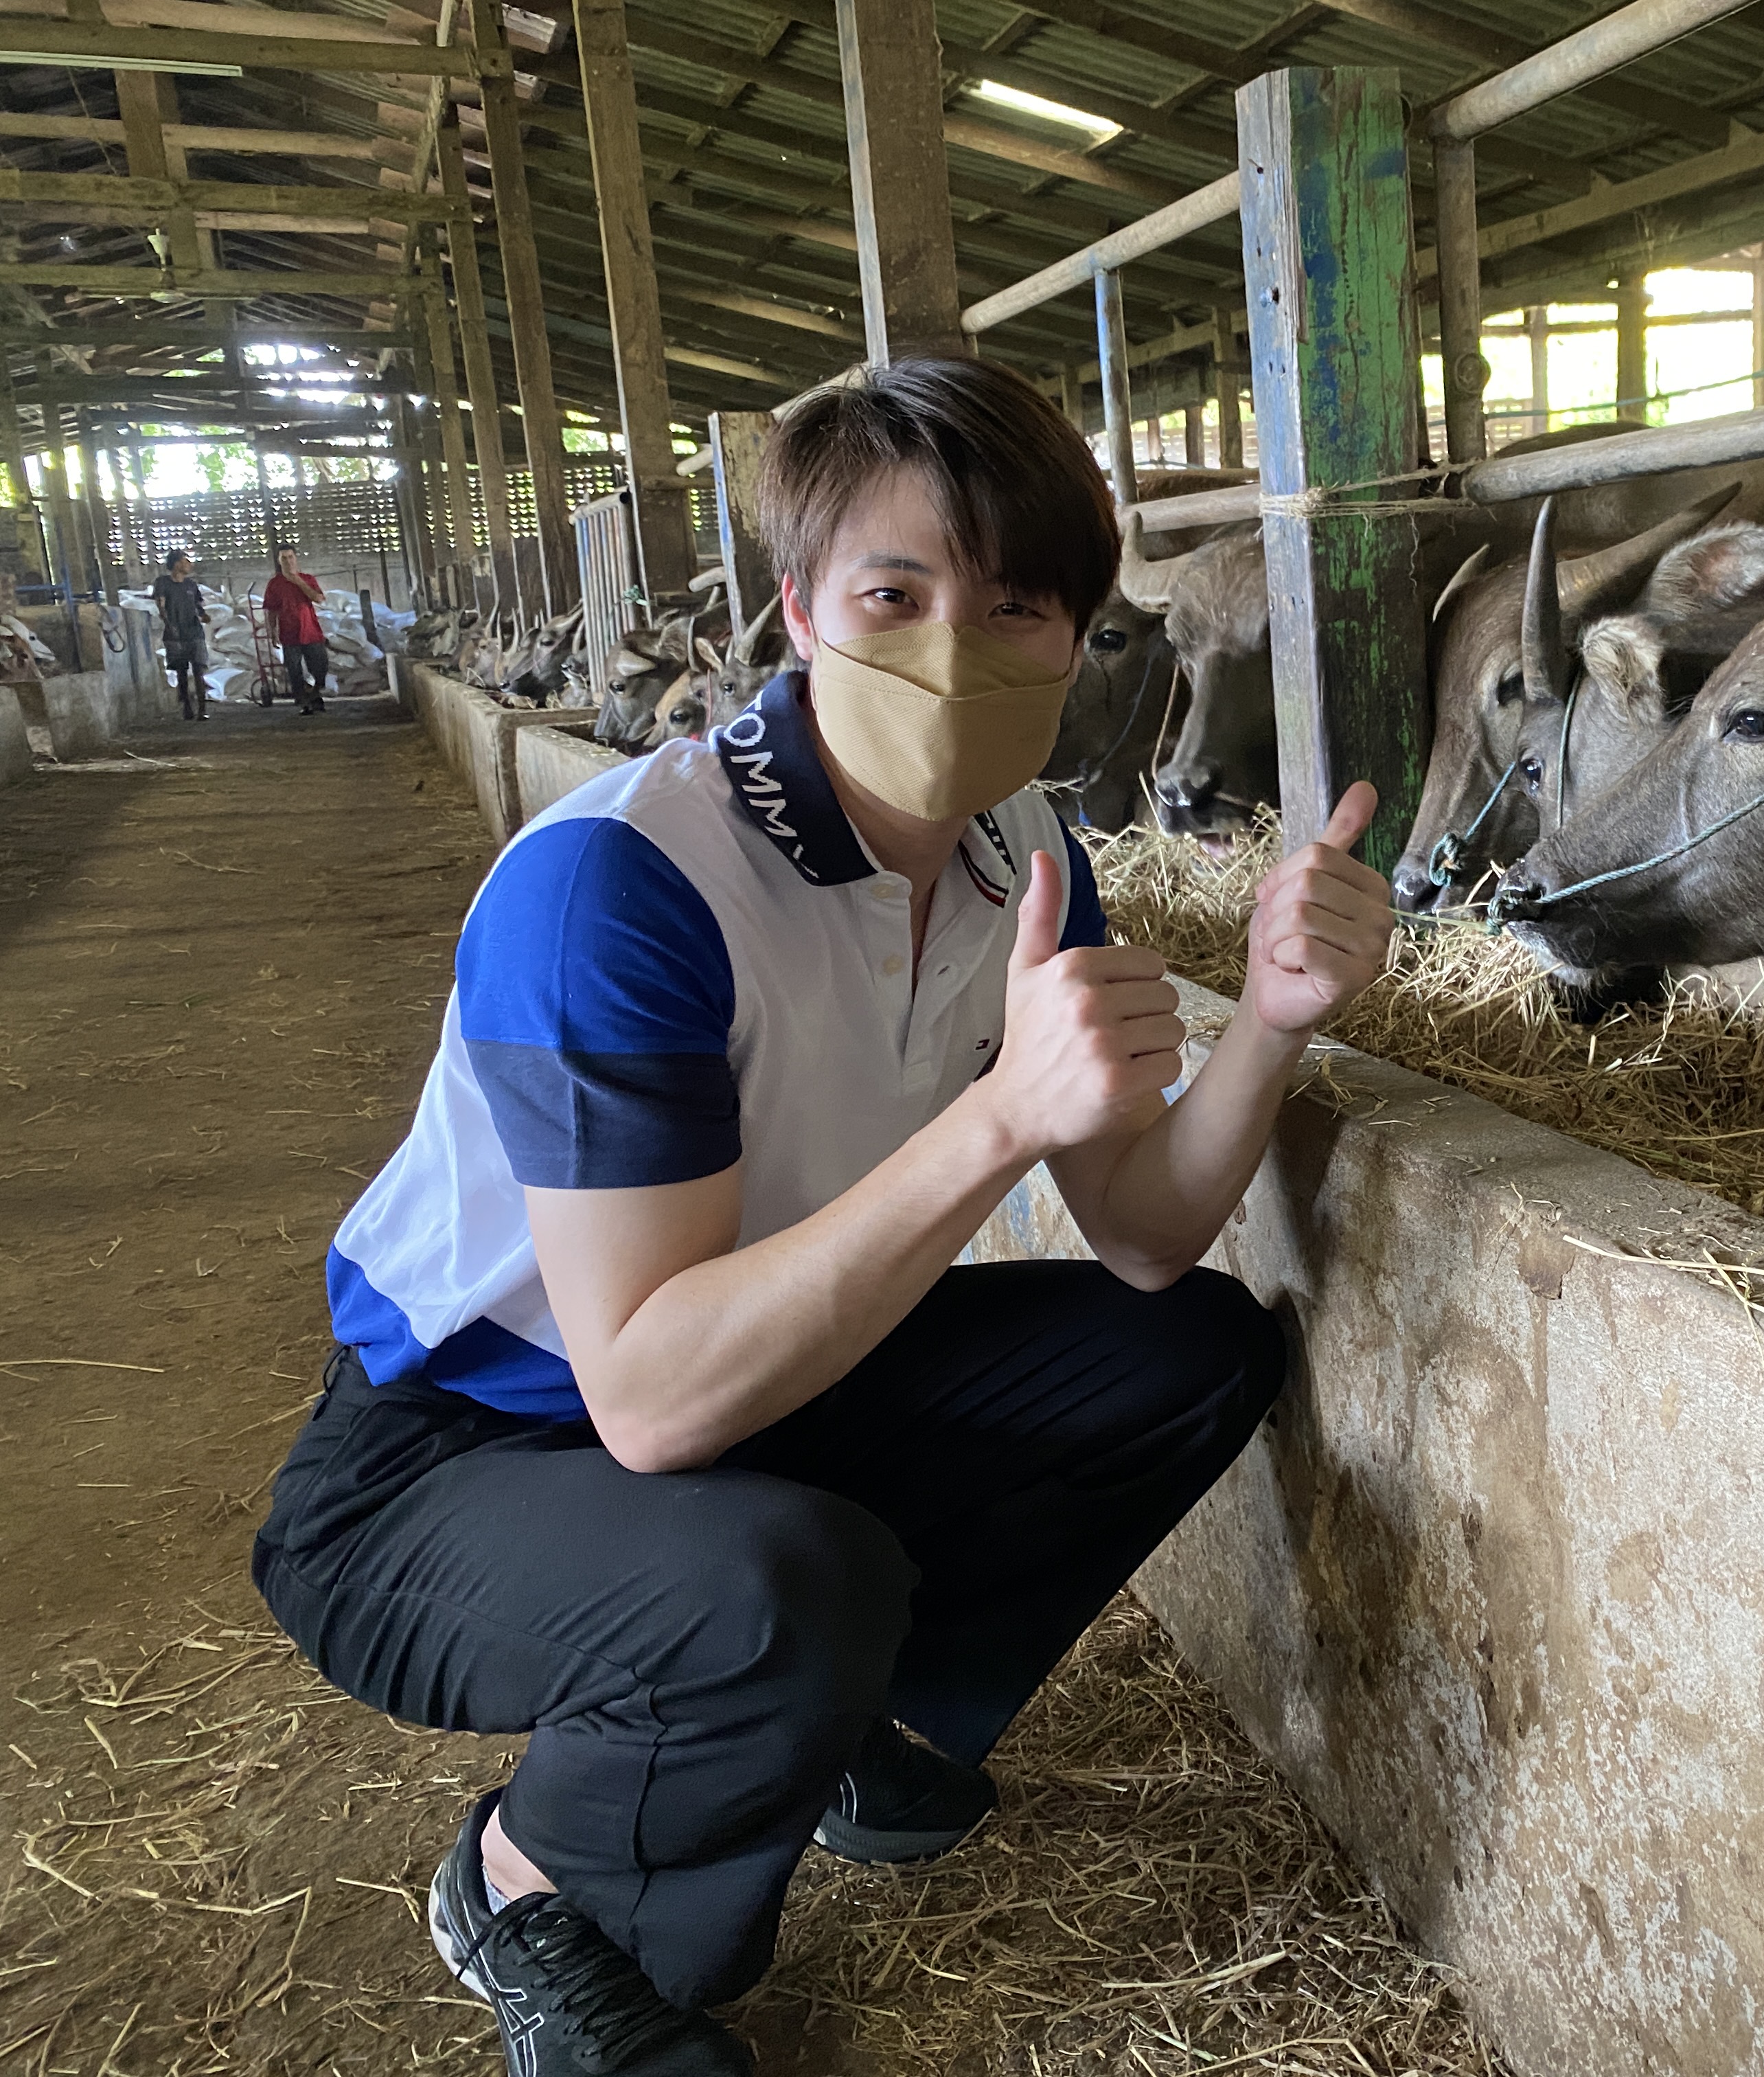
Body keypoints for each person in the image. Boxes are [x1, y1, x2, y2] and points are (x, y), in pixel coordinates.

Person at [249, 357, 1397, 2076]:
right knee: (787, 1587)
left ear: (1081, 641)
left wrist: (1280, 1019)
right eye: (894, 592)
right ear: (799, 609)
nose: (958, 647)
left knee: (1179, 1348)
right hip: (450, 1458)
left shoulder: (1029, 859)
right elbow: (644, 1396)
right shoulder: (624, 884)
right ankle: (531, 1890)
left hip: (744, 1395)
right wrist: (1003, 1115)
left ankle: (857, 1724)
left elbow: (1150, 1232)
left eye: (1018, 606)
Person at [263, 544, 330, 714]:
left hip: (311, 631)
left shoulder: (307, 579)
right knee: (294, 670)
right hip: (289, 633)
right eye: (284, 558)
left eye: (290, 557)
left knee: (320, 666)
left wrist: (297, 581)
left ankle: (315, 694)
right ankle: (304, 702)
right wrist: (272, 631)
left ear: (296, 558)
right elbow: (271, 610)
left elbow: (319, 598)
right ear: (279, 561)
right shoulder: (275, 584)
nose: (288, 561)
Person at [151, 549, 209, 721]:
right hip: (175, 634)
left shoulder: (191, 585)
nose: (189, 564)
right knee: (181, 671)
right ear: (177, 564)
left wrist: (203, 615)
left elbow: (198, 606)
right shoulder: (162, 583)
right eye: (186, 561)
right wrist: (170, 625)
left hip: (194, 632)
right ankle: (187, 708)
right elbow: (161, 606)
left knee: (199, 669)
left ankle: (202, 709)